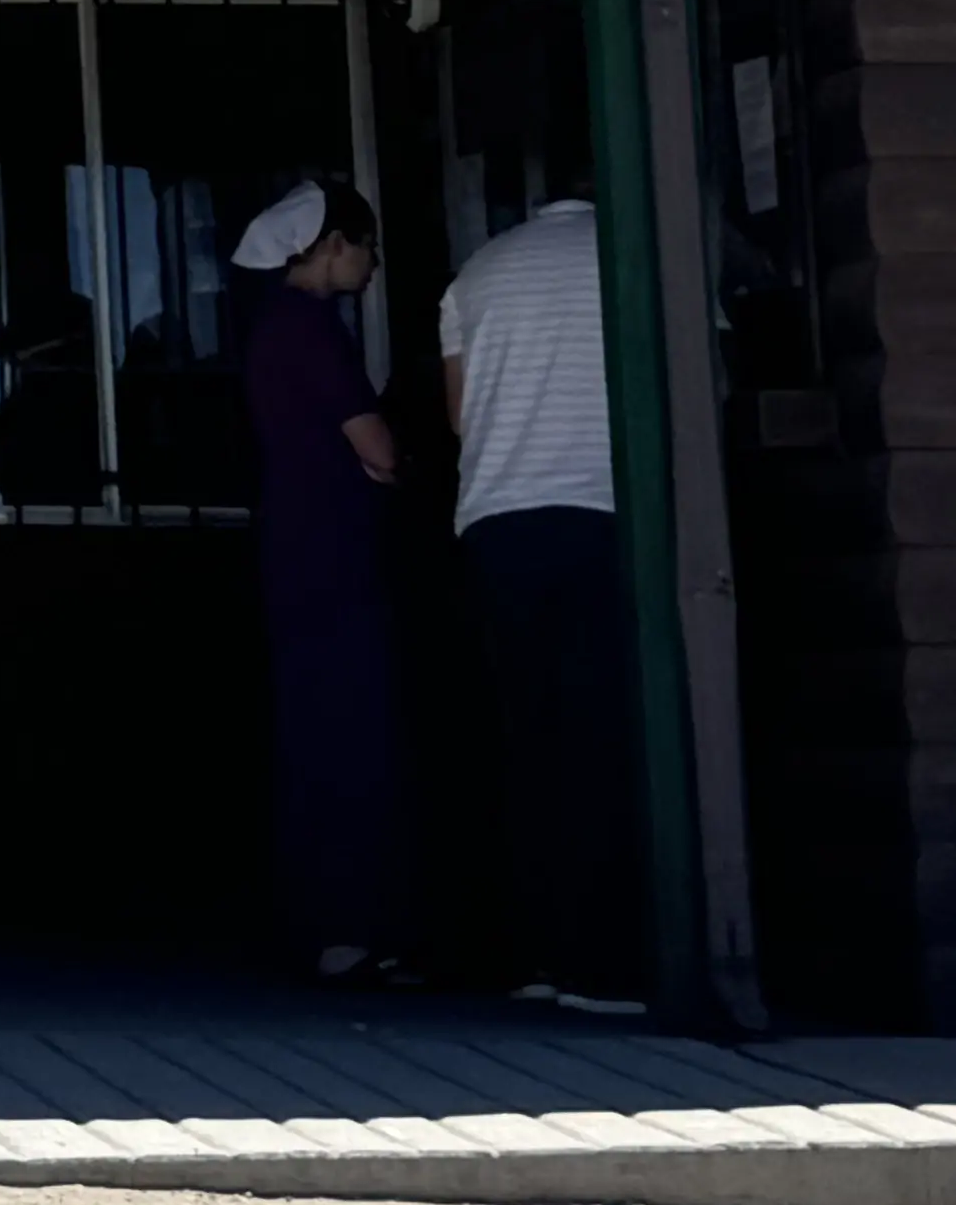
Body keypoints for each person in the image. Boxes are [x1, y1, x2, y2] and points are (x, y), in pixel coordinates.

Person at [439, 196, 645, 1015]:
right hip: (604, 508)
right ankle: (604, 962)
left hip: (498, 518)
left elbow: (459, 415)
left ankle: (537, 955)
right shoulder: (640, 255)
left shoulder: (478, 272)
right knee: (604, 741)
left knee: (527, 742)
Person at [230, 173, 413, 987]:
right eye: (366, 245)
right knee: (350, 730)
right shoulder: (313, 332)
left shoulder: (270, 330)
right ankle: (350, 927)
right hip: (334, 554)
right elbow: (377, 449)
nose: (372, 263)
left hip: (296, 552)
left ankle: (322, 923)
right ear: (332, 245)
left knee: (314, 730)